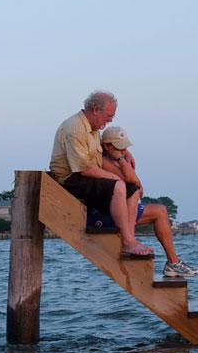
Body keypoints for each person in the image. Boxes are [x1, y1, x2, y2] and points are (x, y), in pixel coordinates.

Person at [49, 91, 153, 257]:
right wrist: (115, 178)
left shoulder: (94, 128)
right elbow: (83, 168)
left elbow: (100, 152)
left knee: (132, 188)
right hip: (70, 179)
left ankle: (130, 238)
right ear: (96, 110)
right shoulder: (75, 127)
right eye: (109, 115)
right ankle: (127, 242)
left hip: (85, 175)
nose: (110, 120)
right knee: (118, 185)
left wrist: (124, 153)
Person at [100, 126, 198, 277]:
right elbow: (134, 182)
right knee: (155, 207)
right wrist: (121, 159)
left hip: (128, 207)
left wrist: (124, 157)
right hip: (114, 212)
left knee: (160, 211)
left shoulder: (119, 158)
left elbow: (137, 185)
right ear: (108, 146)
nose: (123, 150)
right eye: (120, 147)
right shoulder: (104, 161)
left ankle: (173, 263)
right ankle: (130, 242)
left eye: (125, 146)